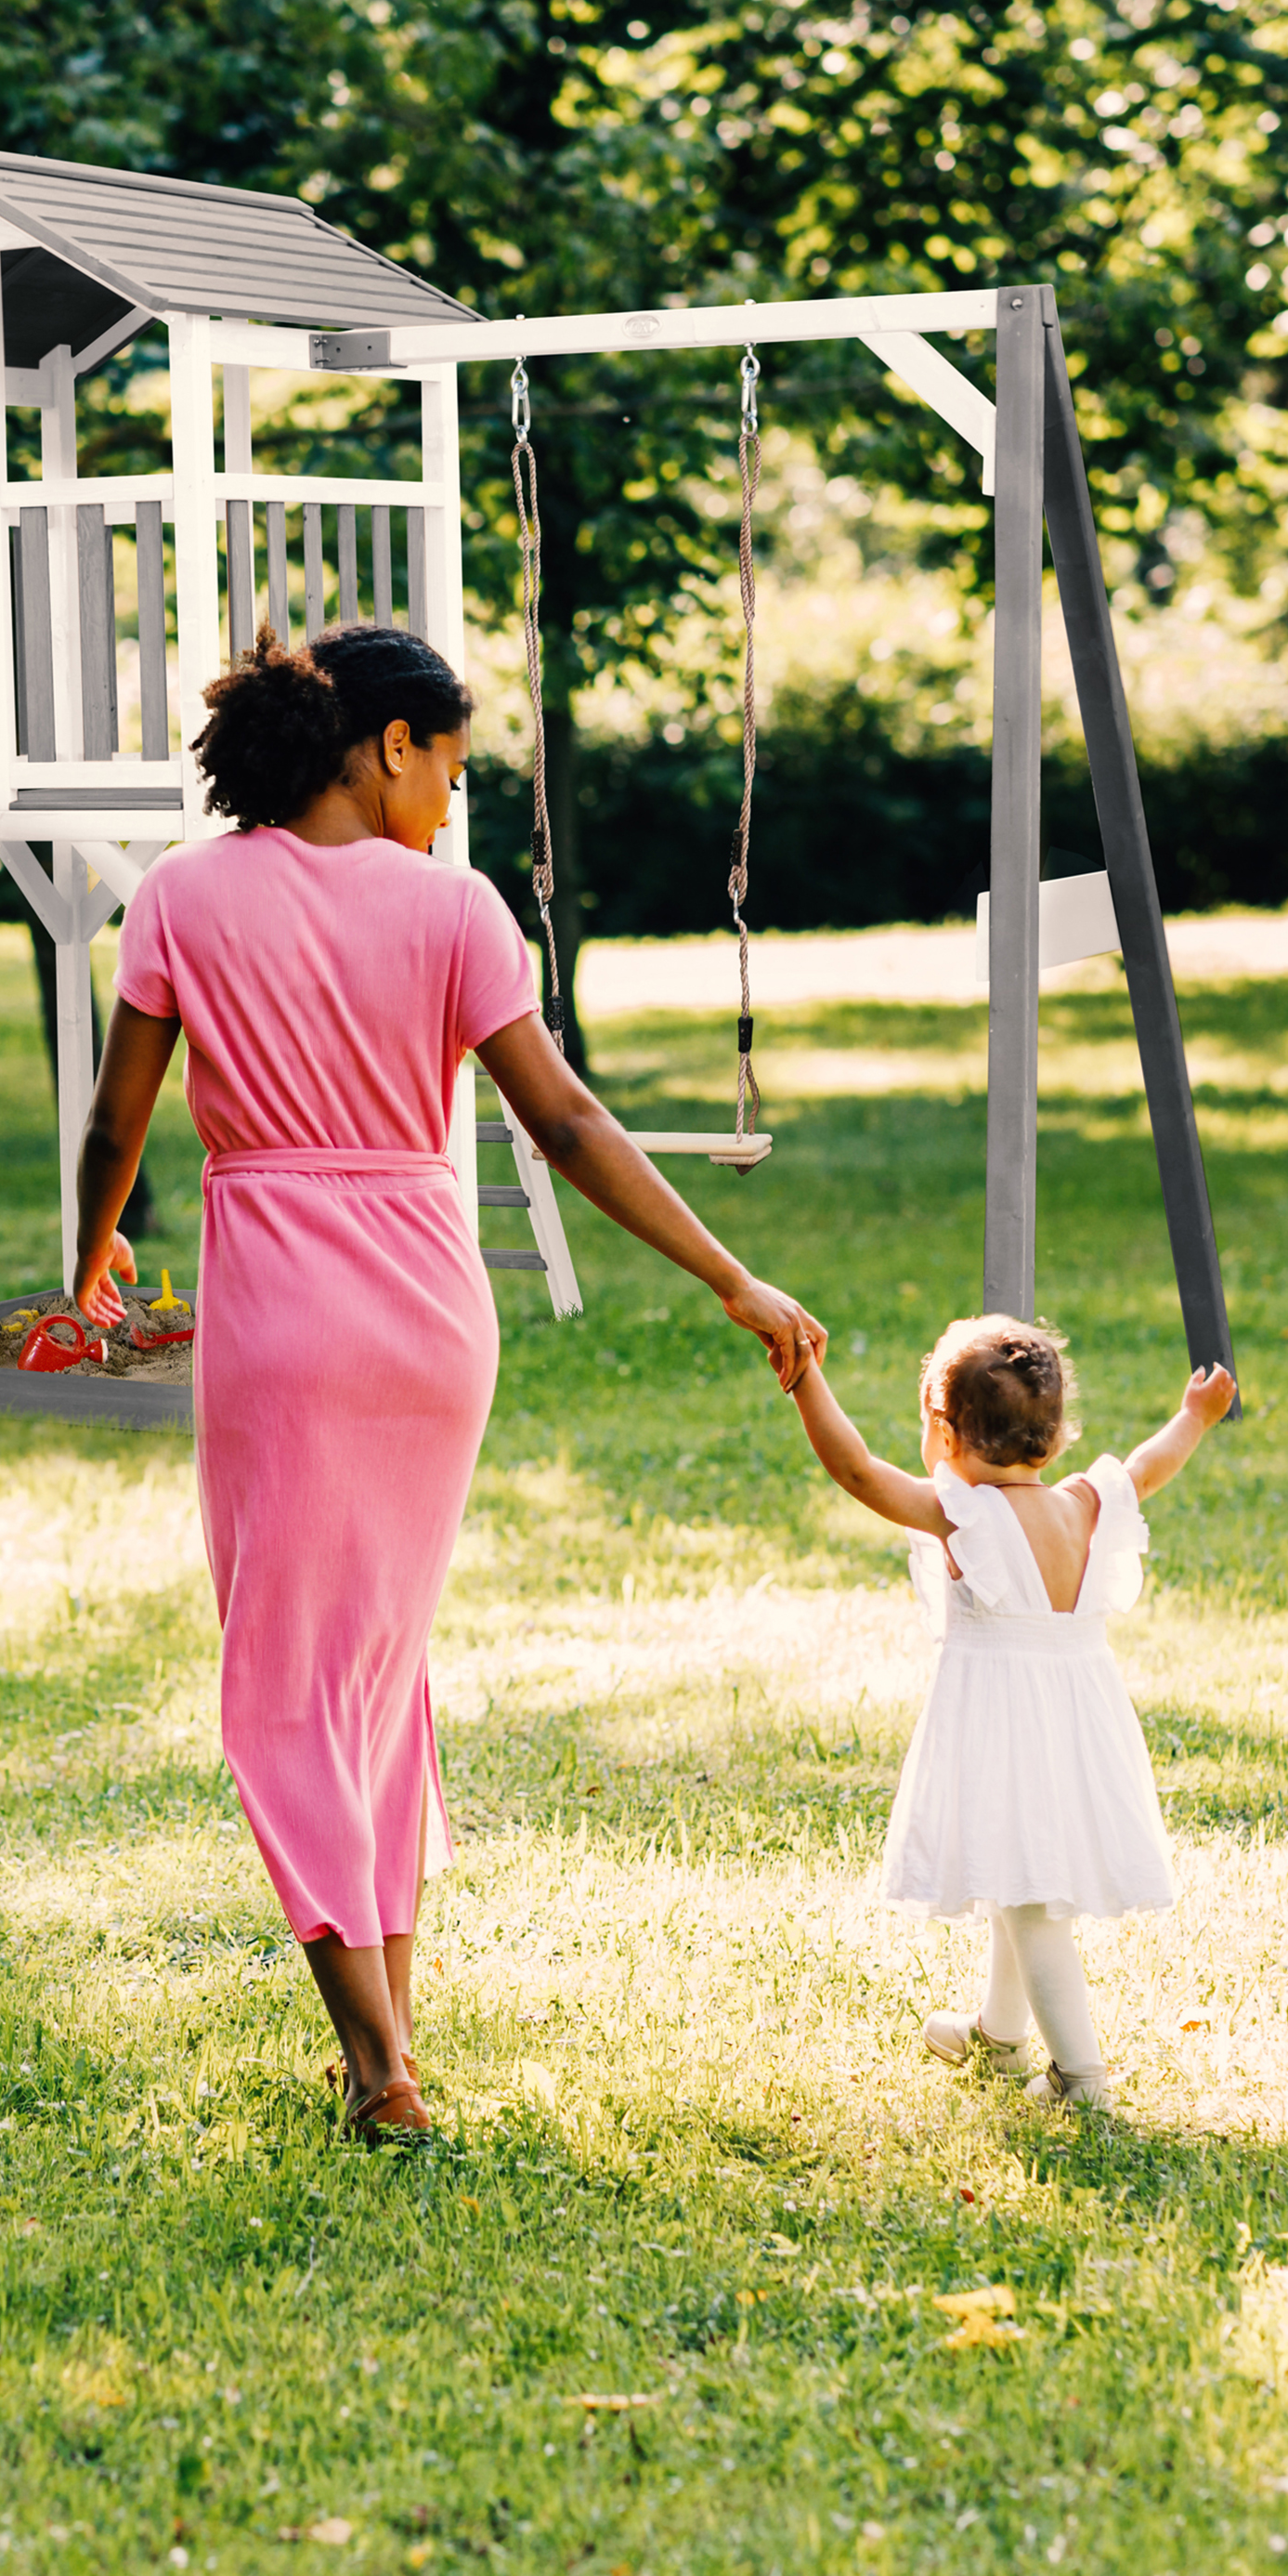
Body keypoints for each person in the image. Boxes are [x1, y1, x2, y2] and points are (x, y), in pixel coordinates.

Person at [70, 624, 826, 2144]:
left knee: (288, 1687)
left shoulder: (181, 897)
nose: (452, 805)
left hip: (281, 1315)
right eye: (452, 770)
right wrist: (727, 1273)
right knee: (375, 1674)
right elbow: (566, 1123)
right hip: (428, 1317)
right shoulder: (456, 911)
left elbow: (117, 1122)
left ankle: (375, 2067)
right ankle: (391, 2037)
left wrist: (85, 1262)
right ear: (388, 745)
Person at [783, 1315, 1237, 2110]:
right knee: (1013, 1870)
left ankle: (1080, 2077)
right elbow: (1147, 1465)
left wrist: (804, 1377)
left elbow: (856, 1471)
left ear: (945, 1432)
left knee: (1029, 1902)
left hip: (1004, 1726)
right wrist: (1193, 1417)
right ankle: (998, 2035)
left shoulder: (966, 1517)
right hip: (1078, 1723)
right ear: (1055, 1439)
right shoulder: (1085, 1504)